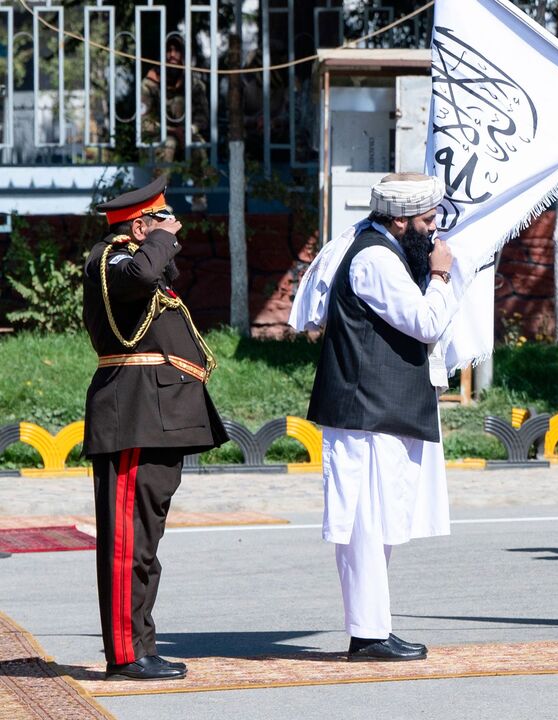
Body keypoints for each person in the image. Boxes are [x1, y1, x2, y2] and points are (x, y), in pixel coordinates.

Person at [304, 172, 470, 661]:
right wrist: (440, 275)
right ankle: (367, 634)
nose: (434, 229)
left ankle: (374, 627)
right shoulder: (375, 258)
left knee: (380, 520)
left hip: (380, 409)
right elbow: (424, 322)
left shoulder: (386, 249)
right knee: (364, 523)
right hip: (364, 410)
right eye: (426, 219)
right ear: (399, 220)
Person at [83, 177, 227, 680]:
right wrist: (157, 239)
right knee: (128, 544)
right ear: (139, 225)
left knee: (146, 545)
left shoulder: (137, 260)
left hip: (157, 417)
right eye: (162, 221)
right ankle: (125, 654)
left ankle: (141, 644)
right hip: (133, 417)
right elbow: (141, 274)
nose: (173, 231)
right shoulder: (110, 260)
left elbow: (154, 276)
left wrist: (160, 242)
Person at [141, 35, 216, 211]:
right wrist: (172, 131)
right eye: (168, 50)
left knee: (197, 145)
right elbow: (146, 123)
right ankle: (157, 202)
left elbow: (203, 117)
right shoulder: (150, 83)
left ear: (183, 55)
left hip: (187, 135)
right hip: (159, 138)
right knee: (169, 143)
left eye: (176, 50)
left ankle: (199, 197)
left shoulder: (194, 84)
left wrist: (190, 129)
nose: (172, 55)